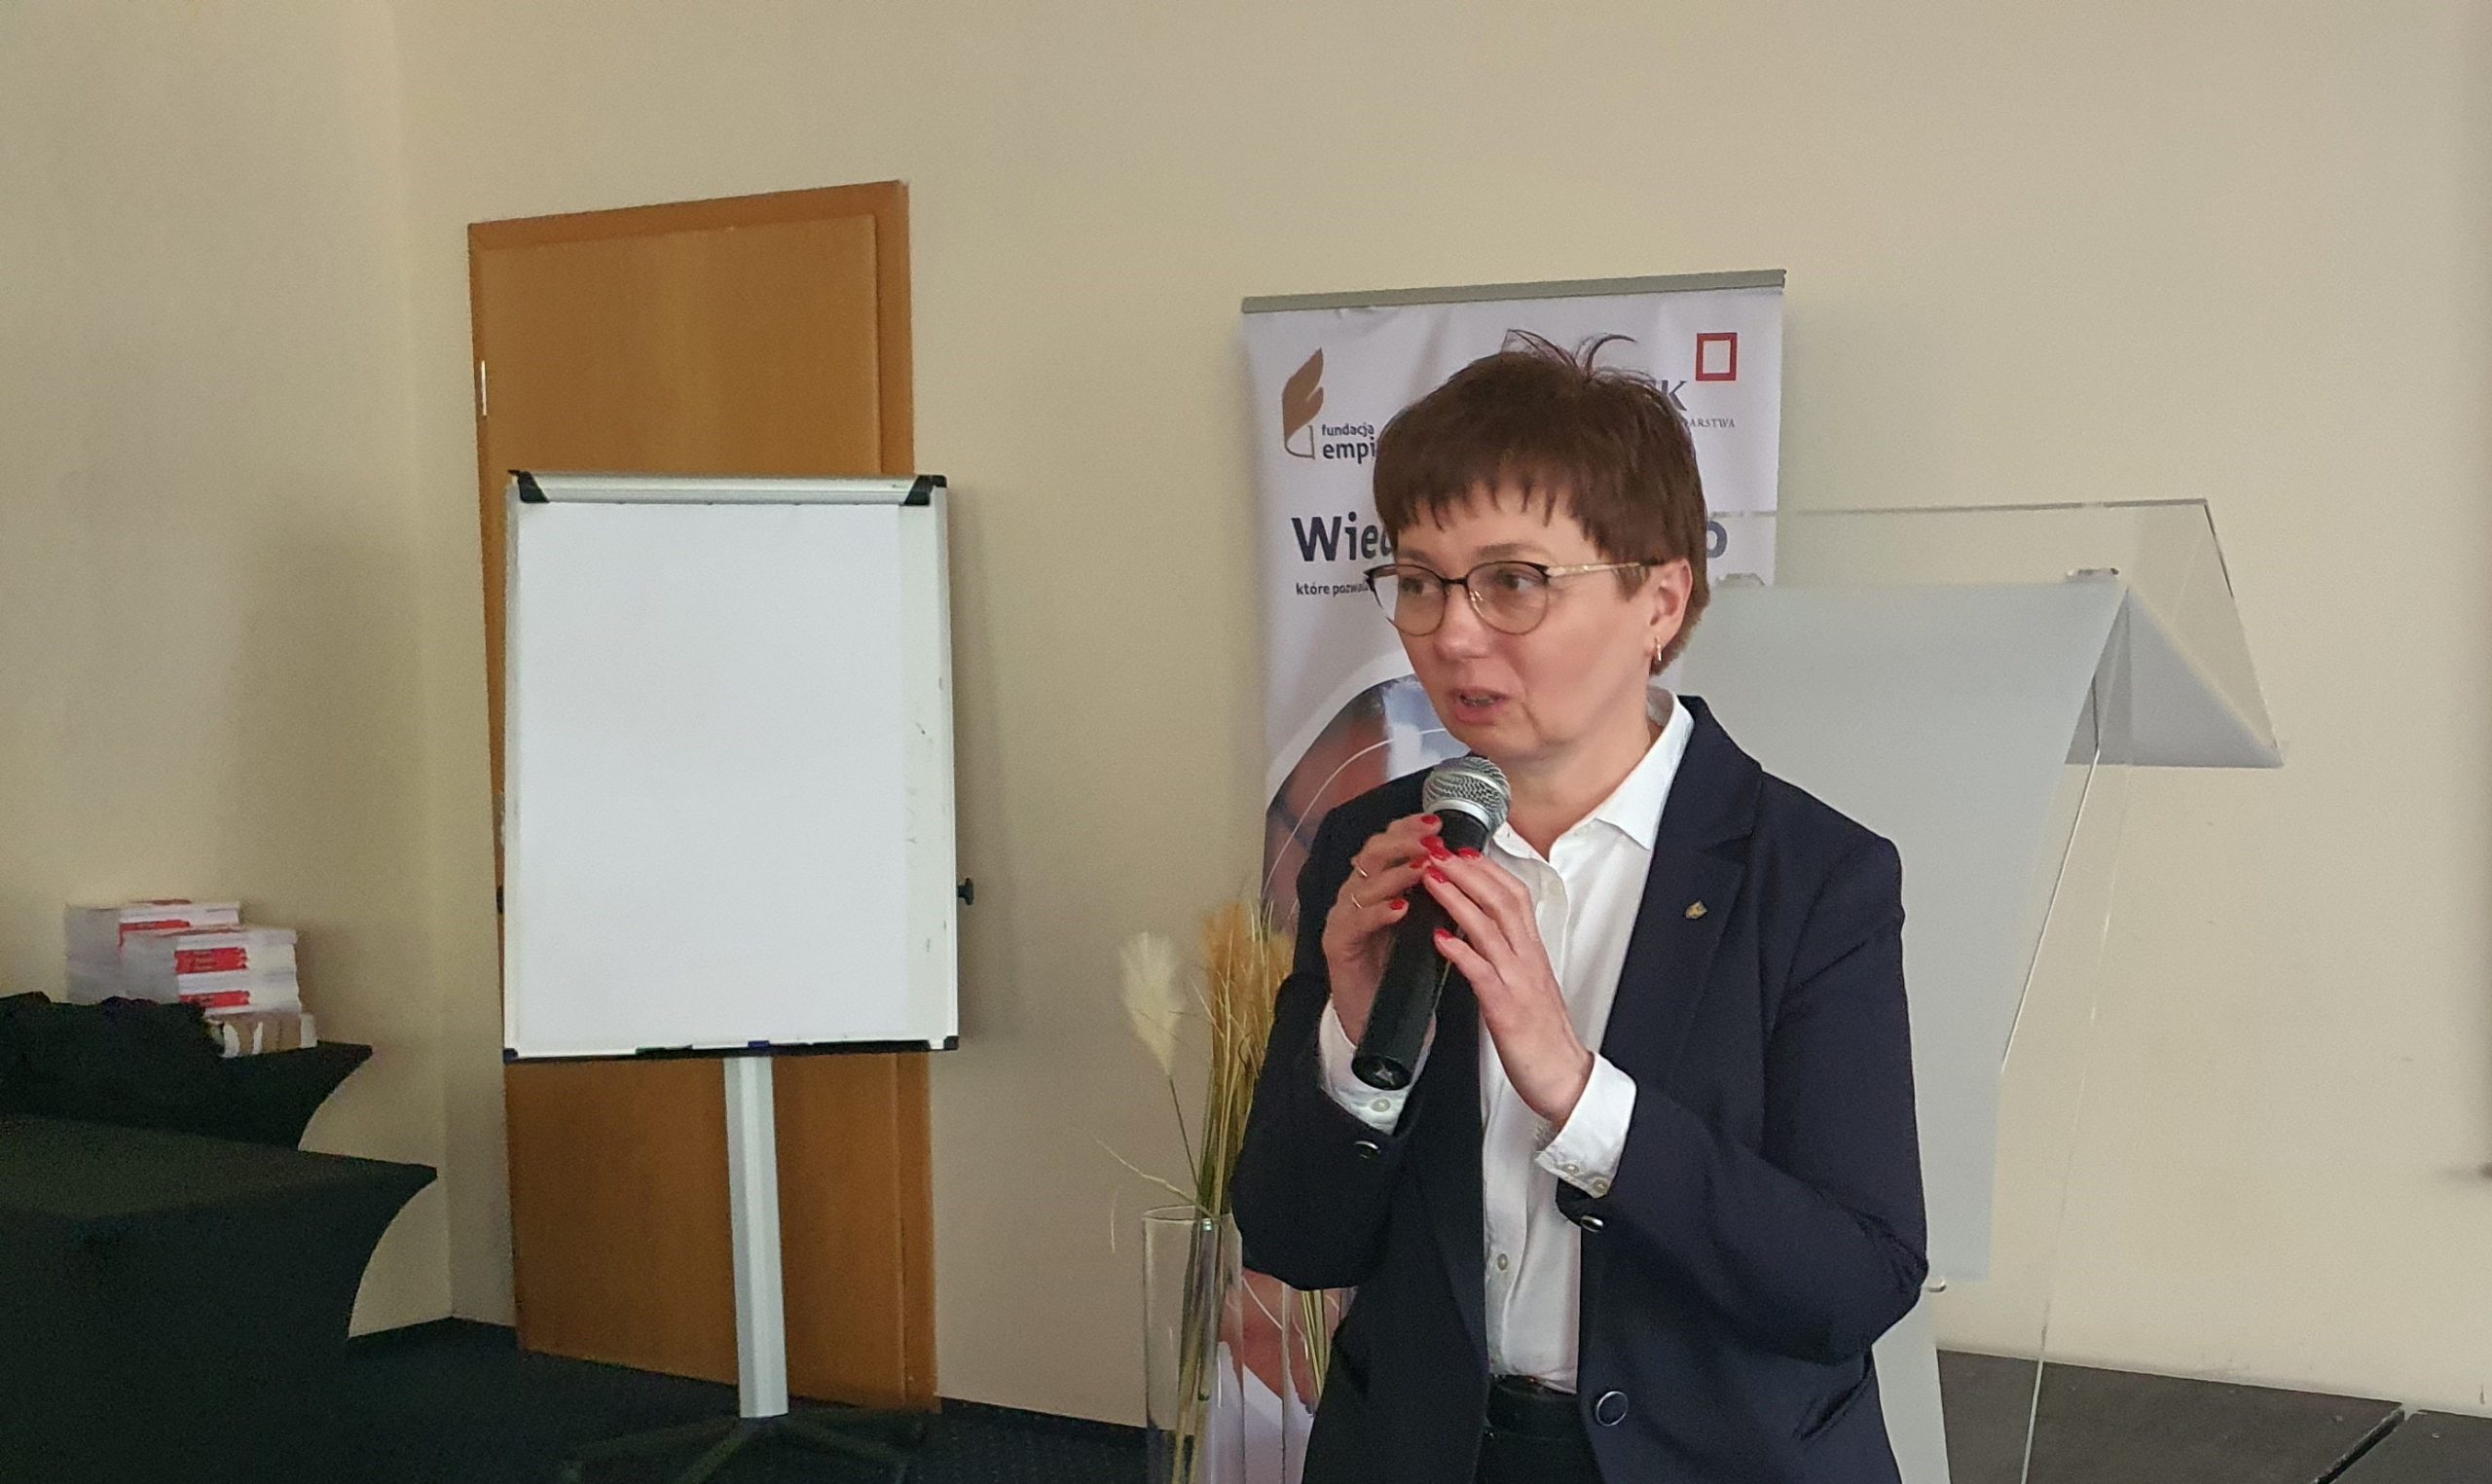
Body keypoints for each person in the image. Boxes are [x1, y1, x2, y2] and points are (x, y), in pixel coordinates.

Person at [1232, 334, 1927, 1484]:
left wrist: (1577, 1092)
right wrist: (1352, 1044)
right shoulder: (1371, 845)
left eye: (1512, 582)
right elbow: (1297, 1238)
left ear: (1661, 597)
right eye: (1419, 581)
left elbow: (1853, 1283)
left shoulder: (1812, 877)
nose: (1451, 632)